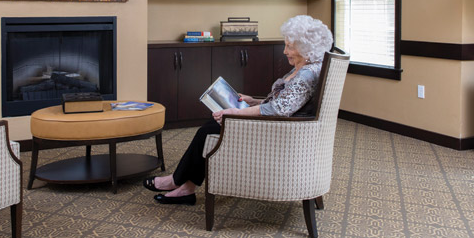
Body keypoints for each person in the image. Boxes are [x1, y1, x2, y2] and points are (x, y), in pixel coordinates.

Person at [143, 14, 333, 205]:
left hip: (278, 132)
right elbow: (285, 104)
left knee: (208, 130)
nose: (284, 51)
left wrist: (236, 112)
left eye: (289, 47)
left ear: (306, 47)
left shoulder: (306, 74)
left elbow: (280, 110)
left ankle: (179, 183)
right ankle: (185, 186)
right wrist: (253, 102)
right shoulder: (306, 67)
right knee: (212, 125)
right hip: (281, 125)